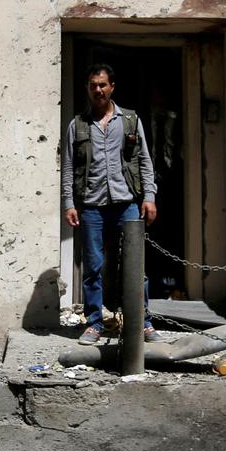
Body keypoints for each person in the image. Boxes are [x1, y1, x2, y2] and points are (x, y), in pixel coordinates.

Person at [61, 63, 164, 345]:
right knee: (93, 267)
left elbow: (144, 160)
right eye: (93, 85)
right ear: (87, 88)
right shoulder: (78, 125)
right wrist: (69, 202)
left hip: (126, 204)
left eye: (103, 85)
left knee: (135, 267)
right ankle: (95, 323)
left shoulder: (130, 121)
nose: (98, 90)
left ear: (112, 87)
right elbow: (68, 166)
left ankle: (142, 323)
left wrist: (149, 197)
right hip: (92, 207)